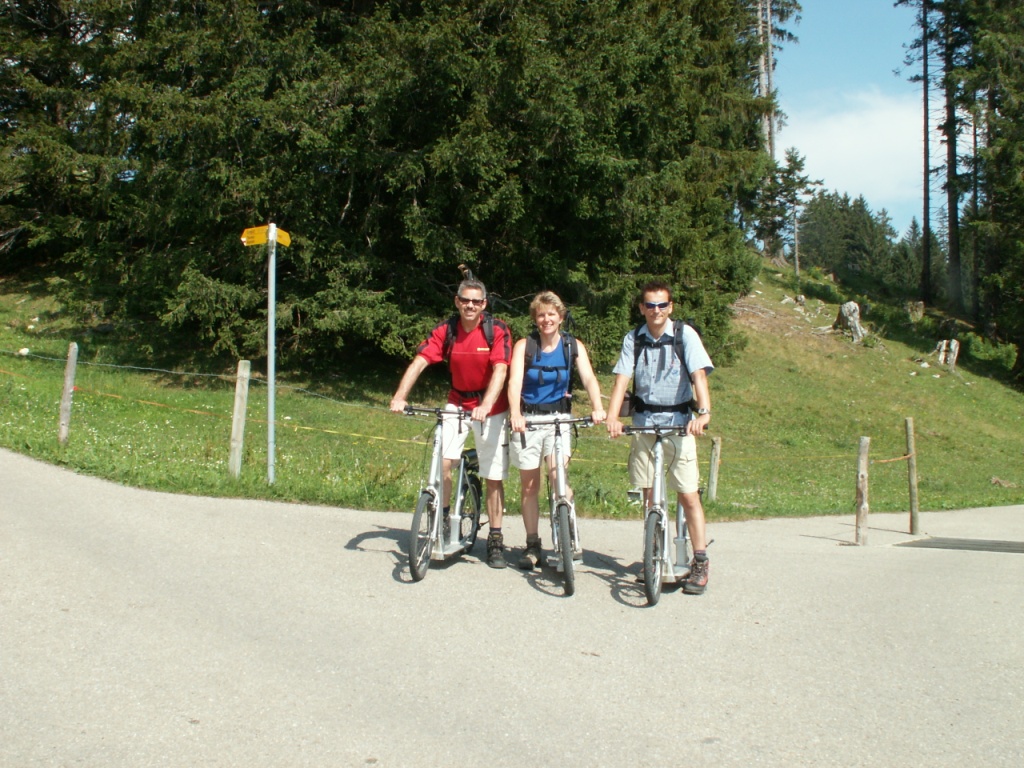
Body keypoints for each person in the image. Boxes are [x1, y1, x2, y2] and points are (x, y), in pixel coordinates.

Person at [390, 278, 513, 568]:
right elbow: (420, 360)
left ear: (484, 304)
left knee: (493, 475)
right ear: (457, 301)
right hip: (457, 401)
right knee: (443, 462)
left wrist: (485, 405)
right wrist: (399, 396)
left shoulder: (495, 329)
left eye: (476, 301)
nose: (470, 305)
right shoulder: (447, 330)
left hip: (490, 407)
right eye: (464, 300)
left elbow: (501, 369)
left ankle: (495, 538)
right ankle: (443, 517)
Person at [605, 280, 714, 595]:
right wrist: (613, 417)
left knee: (688, 494)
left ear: (671, 307)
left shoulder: (684, 335)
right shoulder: (634, 339)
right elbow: (622, 380)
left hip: (679, 422)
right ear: (642, 308)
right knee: (650, 495)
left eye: (662, 305)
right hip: (644, 423)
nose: (656, 311)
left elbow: (699, 376)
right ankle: (654, 556)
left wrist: (704, 414)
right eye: (650, 305)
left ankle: (700, 560)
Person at [507, 292, 606, 570]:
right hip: (528, 420)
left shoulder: (572, 345)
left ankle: (567, 530)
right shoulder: (525, 346)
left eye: (552, 314)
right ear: (535, 319)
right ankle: (532, 544)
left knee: (557, 476)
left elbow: (588, 377)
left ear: (561, 317)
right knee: (529, 486)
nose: (546, 319)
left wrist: (598, 407)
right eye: (541, 314)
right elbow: (514, 382)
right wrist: (515, 414)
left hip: (560, 419)